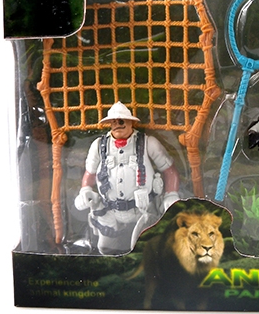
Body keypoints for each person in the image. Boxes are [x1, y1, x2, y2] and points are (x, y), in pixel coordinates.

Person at [74, 102, 180, 254]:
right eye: (113, 122)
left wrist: (171, 194)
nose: (117, 125)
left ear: (131, 122)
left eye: (121, 121)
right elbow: (89, 174)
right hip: (109, 211)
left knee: (142, 250)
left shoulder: (148, 143)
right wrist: (85, 191)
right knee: (105, 249)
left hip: (142, 210)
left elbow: (169, 170)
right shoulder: (98, 146)